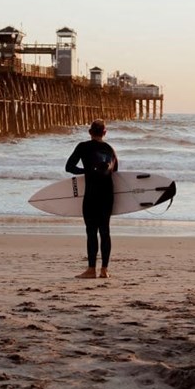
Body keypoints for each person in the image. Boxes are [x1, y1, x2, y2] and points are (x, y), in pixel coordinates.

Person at [65, 118, 118, 279]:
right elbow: (115, 170)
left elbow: (69, 167)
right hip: (108, 194)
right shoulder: (110, 149)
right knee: (105, 231)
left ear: (89, 132)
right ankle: (104, 270)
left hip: (92, 194)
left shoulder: (83, 147)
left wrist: (86, 171)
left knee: (91, 232)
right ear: (104, 132)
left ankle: (91, 270)